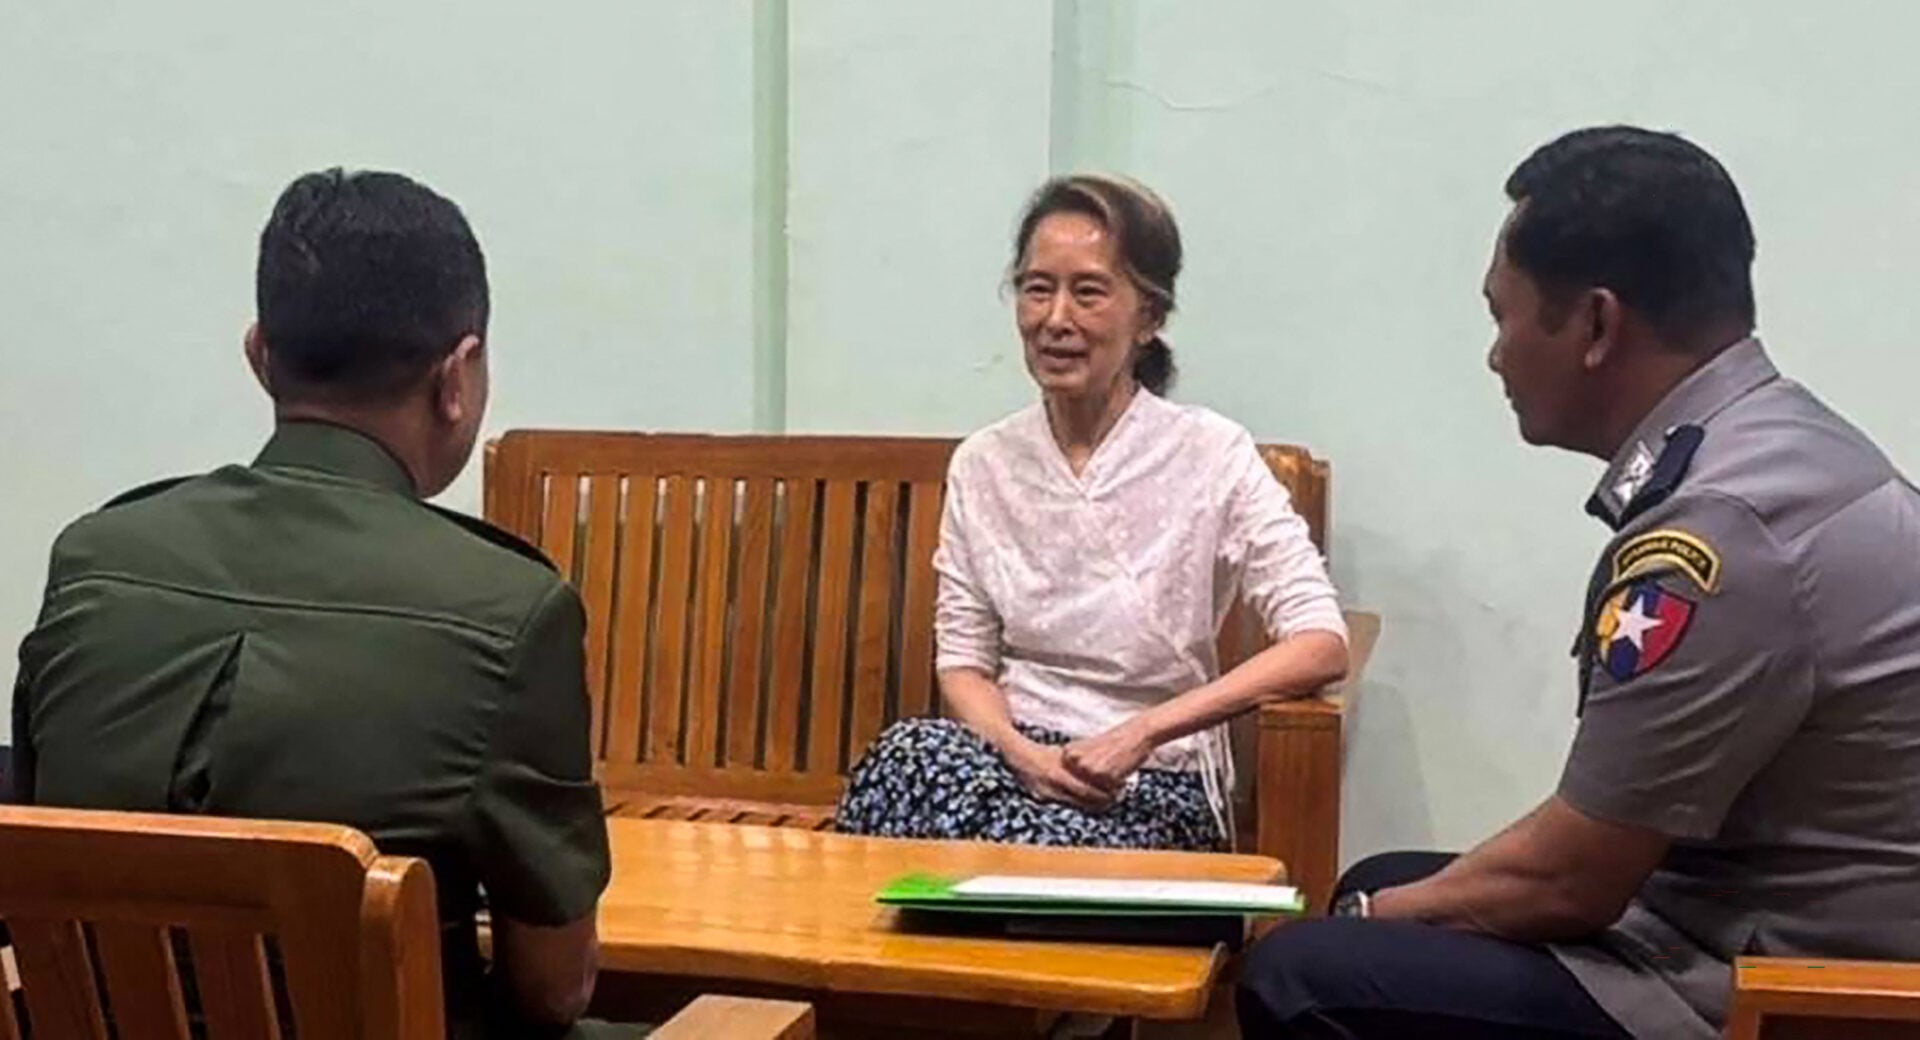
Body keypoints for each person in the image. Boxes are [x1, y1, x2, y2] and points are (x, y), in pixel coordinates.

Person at [1238, 126, 1920, 1038]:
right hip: (1739, 917)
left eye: (1502, 316)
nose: (1495, 355)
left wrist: (1365, 922)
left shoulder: (1719, 531)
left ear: (1596, 325)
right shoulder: (1776, 447)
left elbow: (1575, 878)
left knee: (1302, 975)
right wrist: (1385, 905)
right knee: (1382, 884)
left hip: (1788, 991)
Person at [9, 169, 637, 1040]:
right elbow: (555, 989)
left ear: (259, 354)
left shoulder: (93, 560)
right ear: (457, 377)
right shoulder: (509, 612)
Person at [835, 174, 1349, 852]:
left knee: (1008, 855)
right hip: (1013, 764)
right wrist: (1024, 756)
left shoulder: (1211, 453)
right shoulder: (985, 463)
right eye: (1037, 288)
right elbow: (963, 663)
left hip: (1151, 776)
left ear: (1149, 317)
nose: (1056, 319)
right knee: (908, 754)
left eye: (1089, 292)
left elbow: (1321, 643)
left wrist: (1142, 732)